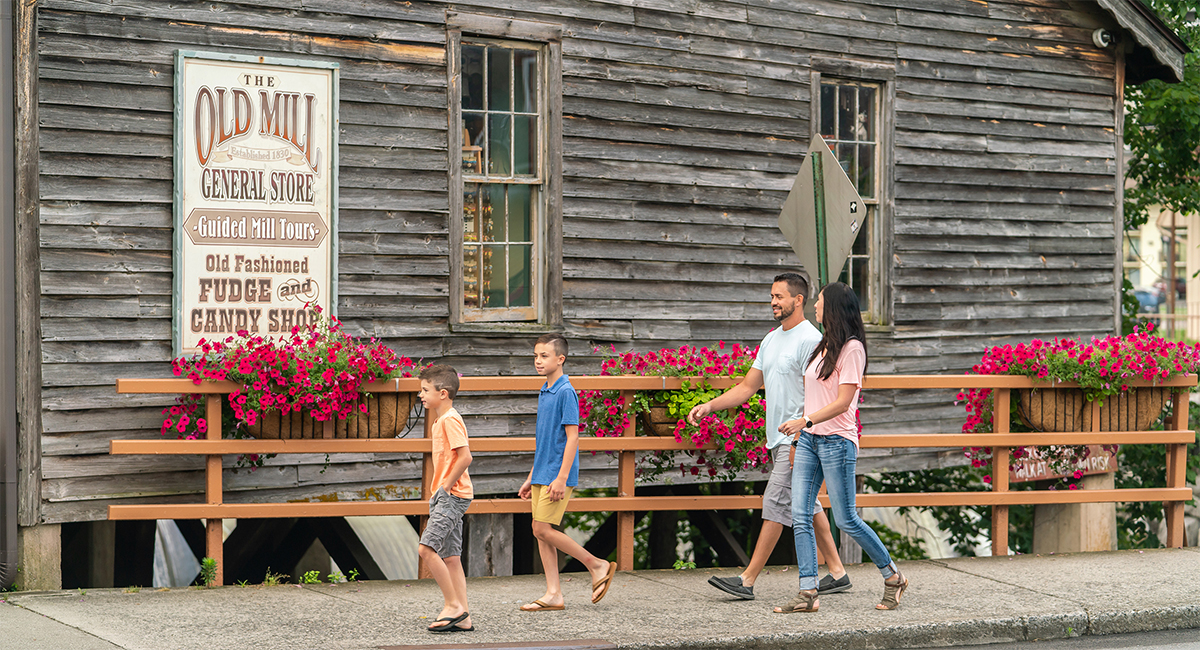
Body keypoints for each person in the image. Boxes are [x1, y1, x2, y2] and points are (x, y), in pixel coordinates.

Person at [690, 272, 851, 601]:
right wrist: (710, 406)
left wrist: (800, 437)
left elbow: (818, 395)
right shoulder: (771, 339)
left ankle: (747, 580)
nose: (774, 302)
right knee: (807, 504)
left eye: (780, 296)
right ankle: (838, 572)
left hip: (799, 439)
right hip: (778, 439)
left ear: (798, 300)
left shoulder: (811, 341)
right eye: (772, 297)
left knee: (775, 503)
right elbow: (748, 387)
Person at [774, 282, 908, 614]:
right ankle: (808, 592)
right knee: (800, 514)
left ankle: (893, 576)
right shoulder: (823, 346)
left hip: (837, 442)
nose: (815, 307)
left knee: (846, 519)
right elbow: (812, 395)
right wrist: (802, 433)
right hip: (809, 440)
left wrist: (804, 421)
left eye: (819, 301)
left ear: (833, 307)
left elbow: (843, 402)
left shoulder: (852, 349)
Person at [519, 333, 617, 612]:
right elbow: (545, 440)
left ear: (560, 359)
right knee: (541, 532)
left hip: (557, 473)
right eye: (536, 356)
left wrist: (561, 478)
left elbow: (572, 437)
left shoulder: (565, 392)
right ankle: (553, 594)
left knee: (540, 528)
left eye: (544, 356)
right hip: (542, 471)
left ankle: (596, 564)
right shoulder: (545, 390)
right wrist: (531, 476)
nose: (538, 361)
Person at [416, 364, 476, 633]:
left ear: (443, 393)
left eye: (425, 390)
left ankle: (453, 606)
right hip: (447, 496)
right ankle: (463, 617)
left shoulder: (450, 419)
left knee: (426, 549)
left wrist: (445, 487)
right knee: (451, 557)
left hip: (451, 496)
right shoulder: (441, 420)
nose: (421, 395)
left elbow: (465, 457)